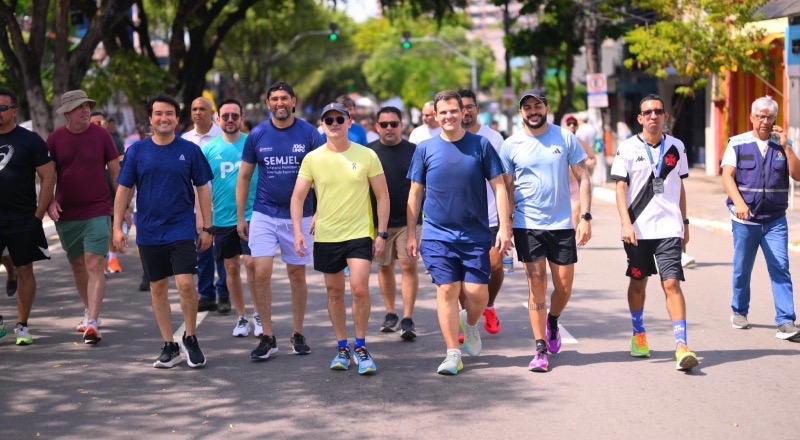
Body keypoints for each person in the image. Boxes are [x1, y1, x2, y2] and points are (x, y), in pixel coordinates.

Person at [406, 90, 511, 375]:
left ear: (462, 112)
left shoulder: (481, 145)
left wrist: (504, 226)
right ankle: (453, 352)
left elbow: (499, 186)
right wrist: (413, 233)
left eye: (454, 110)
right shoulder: (425, 149)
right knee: (448, 290)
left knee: (477, 293)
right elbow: (415, 193)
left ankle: (472, 324)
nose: (449, 116)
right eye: (443, 112)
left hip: (475, 234)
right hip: (437, 235)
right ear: (436, 116)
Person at [113, 93, 213, 369]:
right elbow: (124, 190)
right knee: (157, 287)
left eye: (169, 113)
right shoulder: (136, 152)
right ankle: (169, 344)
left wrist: (206, 227)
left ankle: (190, 337)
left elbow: (203, 188)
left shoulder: (190, 151)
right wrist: (117, 227)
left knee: (185, 284)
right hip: (148, 230)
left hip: (181, 227)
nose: (163, 118)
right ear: (150, 119)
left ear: (177, 119)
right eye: (158, 113)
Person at [291, 102, 389, 375]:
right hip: (327, 235)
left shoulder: (367, 155)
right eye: (329, 120)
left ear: (349, 122)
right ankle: (342, 347)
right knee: (334, 292)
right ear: (322, 125)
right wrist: (298, 231)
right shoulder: (313, 158)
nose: (334, 124)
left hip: (359, 232)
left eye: (339, 119)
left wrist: (380, 233)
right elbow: (298, 197)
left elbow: (382, 195)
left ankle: (361, 346)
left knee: (359, 289)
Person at [500, 89, 592, 373]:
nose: (532, 111)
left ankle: (553, 319)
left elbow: (583, 176)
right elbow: (505, 188)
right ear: (520, 113)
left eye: (537, 105)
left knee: (563, 287)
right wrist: (505, 227)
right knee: (536, 282)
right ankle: (540, 347)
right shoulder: (511, 145)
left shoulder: (564, 138)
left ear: (546, 108)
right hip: (527, 225)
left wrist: (586, 217)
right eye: (526, 107)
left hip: (562, 225)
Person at [610, 94, 699, 371]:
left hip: (669, 228)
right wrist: (625, 224)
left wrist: (684, 223)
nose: (653, 116)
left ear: (665, 116)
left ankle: (682, 346)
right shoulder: (626, 148)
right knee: (638, 283)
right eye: (647, 112)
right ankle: (639, 333)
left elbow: (680, 187)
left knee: (671, 283)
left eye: (658, 111)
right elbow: (620, 188)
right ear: (640, 118)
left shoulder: (677, 147)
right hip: (637, 230)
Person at [237, 82, 323, 359]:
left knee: (296, 273)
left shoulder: (310, 134)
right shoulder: (258, 134)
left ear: (293, 101)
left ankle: (297, 333)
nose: (279, 102)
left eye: (284, 98)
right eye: (274, 98)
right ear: (268, 103)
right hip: (263, 213)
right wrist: (241, 215)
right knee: (260, 272)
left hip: (300, 216)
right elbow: (245, 177)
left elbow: (324, 177)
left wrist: (320, 211)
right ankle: (268, 336)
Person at [721, 95, 800, 340]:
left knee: (780, 268)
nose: (765, 121)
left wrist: (787, 147)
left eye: (770, 117)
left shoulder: (782, 145)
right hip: (745, 220)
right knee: (742, 269)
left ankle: (786, 321)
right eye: (761, 116)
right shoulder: (737, 143)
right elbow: (727, 177)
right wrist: (740, 203)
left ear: (775, 119)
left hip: (775, 219)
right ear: (752, 118)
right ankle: (739, 310)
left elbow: (797, 175)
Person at [47, 90, 122, 344]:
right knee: (77, 265)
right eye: (80, 107)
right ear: (67, 113)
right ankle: (89, 310)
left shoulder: (102, 135)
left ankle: (92, 322)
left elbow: (115, 172)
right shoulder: (56, 139)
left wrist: (123, 209)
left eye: (87, 106)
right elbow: (48, 176)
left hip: (98, 209)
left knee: (94, 264)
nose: (86, 110)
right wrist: (50, 201)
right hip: (67, 213)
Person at [0, 88, 55, 345]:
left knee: (25, 270)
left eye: (2, 108)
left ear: (14, 111)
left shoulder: (30, 140)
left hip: (22, 217)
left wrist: (38, 214)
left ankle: (21, 326)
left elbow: (48, 177)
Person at [202, 98, 259, 338]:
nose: (230, 120)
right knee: (231, 267)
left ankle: (259, 314)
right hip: (223, 219)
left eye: (235, 116)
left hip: (253, 215)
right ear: (218, 120)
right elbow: (201, 186)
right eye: (225, 116)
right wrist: (203, 222)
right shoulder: (208, 149)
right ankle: (242, 316)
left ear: (242, 119)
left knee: (252, 264)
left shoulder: (252, 144)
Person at [367, 106, 420, 340]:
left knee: (408, 266)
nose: (389, 128)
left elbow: (422, 187)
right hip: (380, 224)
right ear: (377, 127)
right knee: (384, 266)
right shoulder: (368, 153)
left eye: (394, 124)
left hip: (409, 221)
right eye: (384, 124)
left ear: (402, 125)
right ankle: (390, 313)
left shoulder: (414, 151)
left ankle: (407, 318)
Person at [459, 89, 506, 336]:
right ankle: (466, 316)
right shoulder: (449, 137)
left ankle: (488, 305)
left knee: (495, 265)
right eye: (461, 107)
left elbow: (504, 180)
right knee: (459, 273)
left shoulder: (493, 138)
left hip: (490, 216)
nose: (466, 112)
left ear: (477, 109)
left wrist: (507, 217)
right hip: (458, 219)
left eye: (470, 107)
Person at [182, 97, 229, 314]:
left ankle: (224, 293)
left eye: (202, 109)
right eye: (194, 109)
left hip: (220, 204)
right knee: (202, 251)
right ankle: (207, 294)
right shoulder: (185, 139)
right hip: (195, 206)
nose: (198, 112)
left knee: (222, 252)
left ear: (212, 112)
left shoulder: (223, 136)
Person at [90, 111, 126, 274]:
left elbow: (119, 169)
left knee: (112, 225)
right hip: (92, 191)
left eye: (102, 123)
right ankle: (99, 261)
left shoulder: (116, 141)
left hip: (111, 189)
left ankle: (112, 259)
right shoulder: (84, 141)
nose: (99, 126)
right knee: (96, 229)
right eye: (95, 123)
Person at [566, 114, 597, 228]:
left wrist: (585, 165)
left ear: (577, 127)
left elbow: (593, 159)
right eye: (569, 124)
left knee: (575, 212)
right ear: (565, 126)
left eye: (574, 124)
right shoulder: (558, 142)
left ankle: (574, 242)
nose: (572, 126)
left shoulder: (582, 143)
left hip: (576, 183)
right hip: (562, 183)